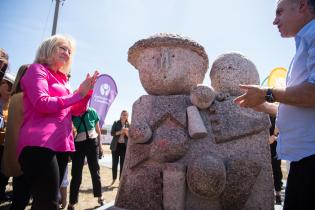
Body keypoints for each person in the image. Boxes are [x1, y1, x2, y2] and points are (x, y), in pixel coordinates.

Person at [234, 0, 315, 209]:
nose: (274, 21)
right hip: (303, 158)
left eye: (279, 12)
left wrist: (267, 93)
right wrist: (262, 104)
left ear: (302, 5)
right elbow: (302, 105)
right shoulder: (304, 44)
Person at [16, 34, 99, 210]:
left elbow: (75, 110)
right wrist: (78, 94)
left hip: (61, 145)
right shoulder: (37, 70)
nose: (67, 52)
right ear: (49, 48)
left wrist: (87, 92)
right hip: (39, 144)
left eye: (69, 51)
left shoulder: (63, 80)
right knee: (48, 203)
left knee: (47, 200)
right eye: (62, 47)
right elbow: (42, 102)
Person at [68, 107, 104, 209]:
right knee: (76, 174)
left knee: (95, 171)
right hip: (78, 145)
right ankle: (72, 202)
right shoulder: (72, 113)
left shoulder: (92, 111)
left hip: (92, 143)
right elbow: (69, 132)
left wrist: (100, 145)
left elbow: (98, 130)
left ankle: (100, 196)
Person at [0, 72, 15, 202]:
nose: (7, 87)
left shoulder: (13, 104)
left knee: (4, 173)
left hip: (7, 145)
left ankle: (1, 193)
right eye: (5, 83)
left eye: (10, 84)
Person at [110, 110, 129, 185]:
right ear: (120, 115)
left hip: (124, 147)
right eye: (123, 114)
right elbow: (112, 133)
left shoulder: (129, 124)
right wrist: (120, 132)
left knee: (122, 164)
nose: (124, 116)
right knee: (114, 163)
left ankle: (121, 180)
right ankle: (114, 178)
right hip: (116, 146)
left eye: (126, 115)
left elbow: (130, 136)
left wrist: (126, 132)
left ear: (128, 116)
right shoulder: (116, 123)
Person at [269, 116, 283, 205]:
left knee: (276, 170)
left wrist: (274, 136)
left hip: (275, 149)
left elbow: (280, 129)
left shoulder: (274, 115)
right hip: (263, 148)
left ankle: (278, 193)